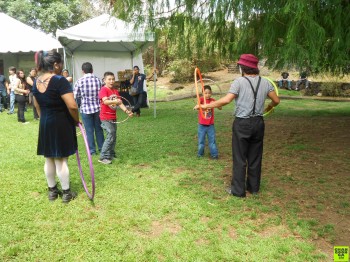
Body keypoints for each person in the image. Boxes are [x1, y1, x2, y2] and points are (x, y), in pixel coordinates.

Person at [195, 54, 280, 198]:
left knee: (240, 157)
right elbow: (276, 100)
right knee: (255, 156)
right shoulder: (265, 83)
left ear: (242, 67)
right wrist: (269, 106)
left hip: (242, 123)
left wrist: (204, 106)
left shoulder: (239, 82)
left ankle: (238, 190)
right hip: (258, 123)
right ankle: (253, 188)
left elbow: (226, 100)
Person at [33, 50, 79, 203]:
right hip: (60, 123)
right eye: (61, 64)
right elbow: (72, 106)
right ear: (55, 64)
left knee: (49, 158)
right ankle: (66, 193)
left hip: (45, 122)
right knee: (61, 159)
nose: (61, 67)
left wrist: (43, 118)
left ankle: (52, 191)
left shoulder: (36, 81)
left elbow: (36, 104)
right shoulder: (60, 80)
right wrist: (77, 121)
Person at [98, 71, 133, 164]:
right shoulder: (103, 90)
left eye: (113, 79)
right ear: (104, 80)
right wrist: (116, 101)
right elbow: (105, 101)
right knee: (111, 134)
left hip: (113, 117)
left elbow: (120, 103)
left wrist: (127, 111)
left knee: (113, 136)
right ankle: (103, 157)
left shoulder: (115, 91)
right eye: (109, 79)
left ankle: (111, 154)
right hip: (105, 117)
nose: (111, 81)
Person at [74, 62, 104, 155]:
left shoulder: (79, 81)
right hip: (98, 108)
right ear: (92, 70)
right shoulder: (98, 80)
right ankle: (102, 148)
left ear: (83, 71)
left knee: (89, 130)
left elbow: (75, 96)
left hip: (86, 109)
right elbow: (101, 94)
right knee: (99, 129)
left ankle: (92, 151)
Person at [195, 85, 222, 159]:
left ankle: (214, 155)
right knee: (201, 141)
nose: (207, 95)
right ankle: (200, 154)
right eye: (205, 93)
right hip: (202, 125)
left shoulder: (212, 100)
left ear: (211, 93)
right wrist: (199, 106)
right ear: (202, 93)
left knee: (212, 141)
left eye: (209, 93)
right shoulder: (201, 100)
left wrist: (216, 103)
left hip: (210, 125)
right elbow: (197, 106)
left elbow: (220, 108)